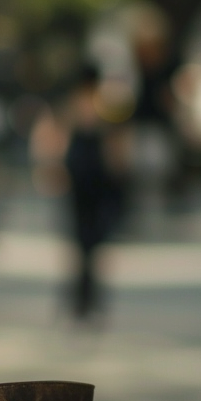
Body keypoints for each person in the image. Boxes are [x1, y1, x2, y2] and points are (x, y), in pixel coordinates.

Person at [63, 64, 127, 321]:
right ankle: (84, 297)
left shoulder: (78, 105)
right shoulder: (101, 105)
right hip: (90, 177)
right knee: (87, 243)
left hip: (87, 177)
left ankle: (84, 297)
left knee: (86, 243)